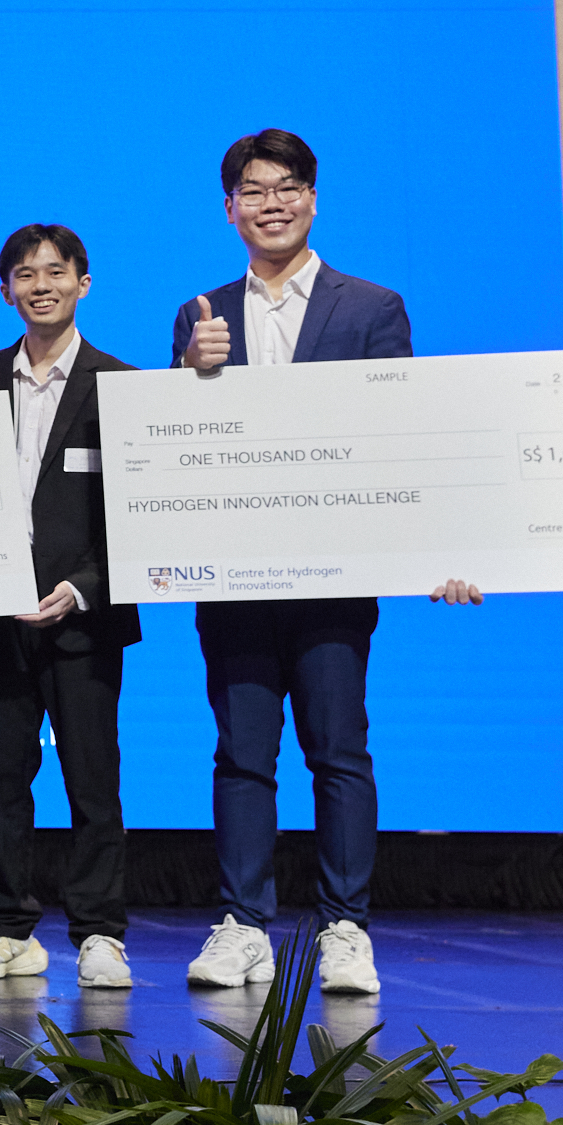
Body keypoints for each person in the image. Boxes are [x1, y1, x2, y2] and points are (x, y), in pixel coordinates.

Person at [169, 131, 482, 995]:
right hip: (235, 576)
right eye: (253, 190)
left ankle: (346, 925)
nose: (271, 202)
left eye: (288, 187)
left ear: (313, 199)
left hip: (333, 576)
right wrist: (190, 376)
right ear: (229, 207)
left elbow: (403, 437)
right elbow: (180, 451)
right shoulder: (200, 312)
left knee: (338, 752)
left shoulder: (372, 306)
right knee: (241, 754)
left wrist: (441, 550)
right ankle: (243, 924)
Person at [0, 225, 143, 989]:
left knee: (92, 778)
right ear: (6, 292)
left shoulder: (120, 383)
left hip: (83, 616)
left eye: (54, 272)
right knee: (2, 773)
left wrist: (80, 587)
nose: (40, 285)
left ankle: (99, 931)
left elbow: (135, 514)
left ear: (83, 283)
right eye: (24, 274)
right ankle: (6, 928)